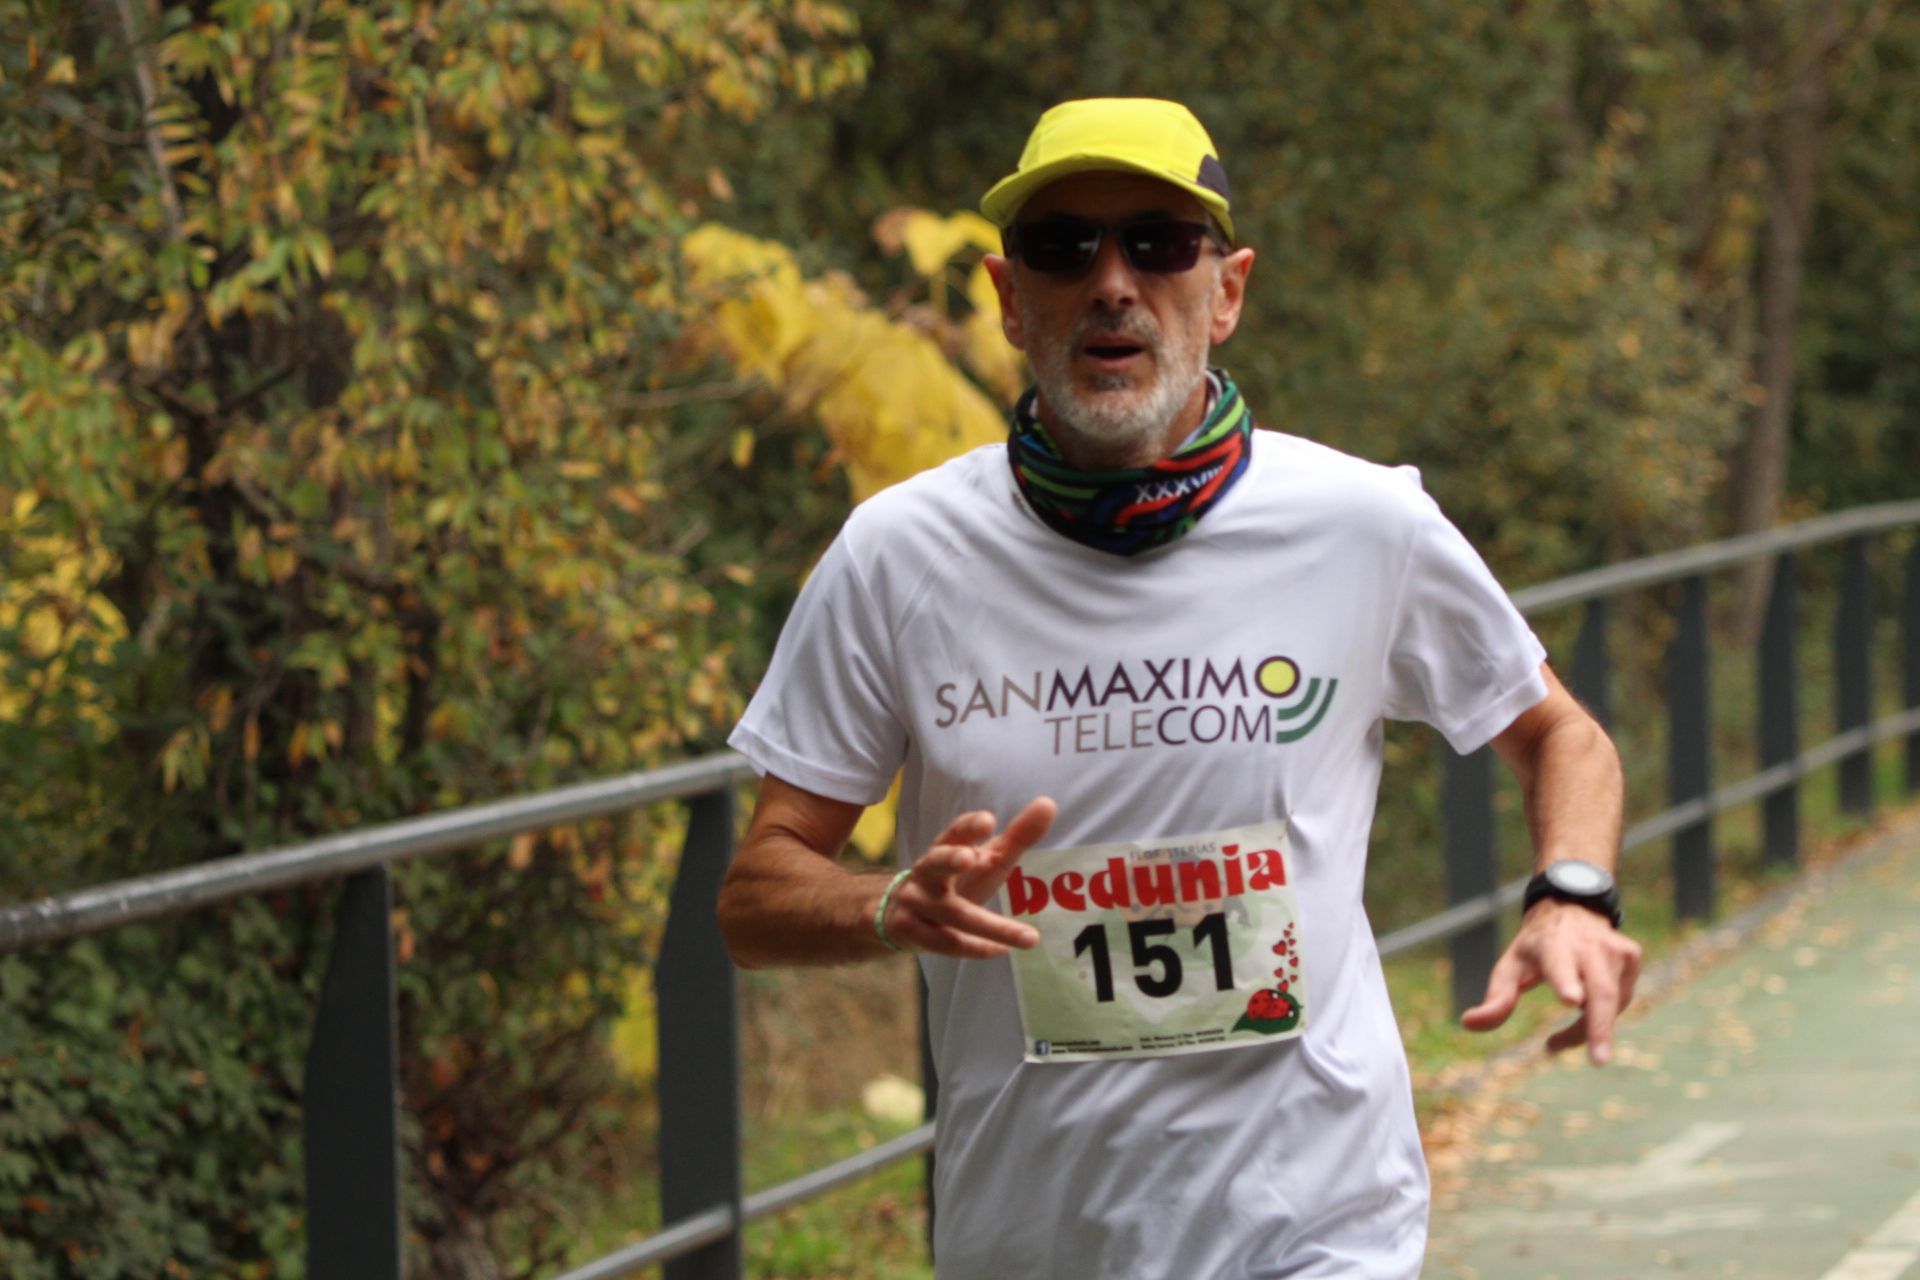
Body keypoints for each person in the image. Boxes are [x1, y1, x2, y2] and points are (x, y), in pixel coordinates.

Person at [717, 97, 1641, 1279]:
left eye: (1158, 243)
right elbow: (755, 892)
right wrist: (890, 900)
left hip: (1317, 1229)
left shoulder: (1364, 524)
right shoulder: (897, 554)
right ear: (1009, 297)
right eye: (1066, 249)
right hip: (1029, 1239)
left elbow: (1560, 734)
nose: (1113, 282)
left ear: (1228, 290)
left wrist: (1572, 892)